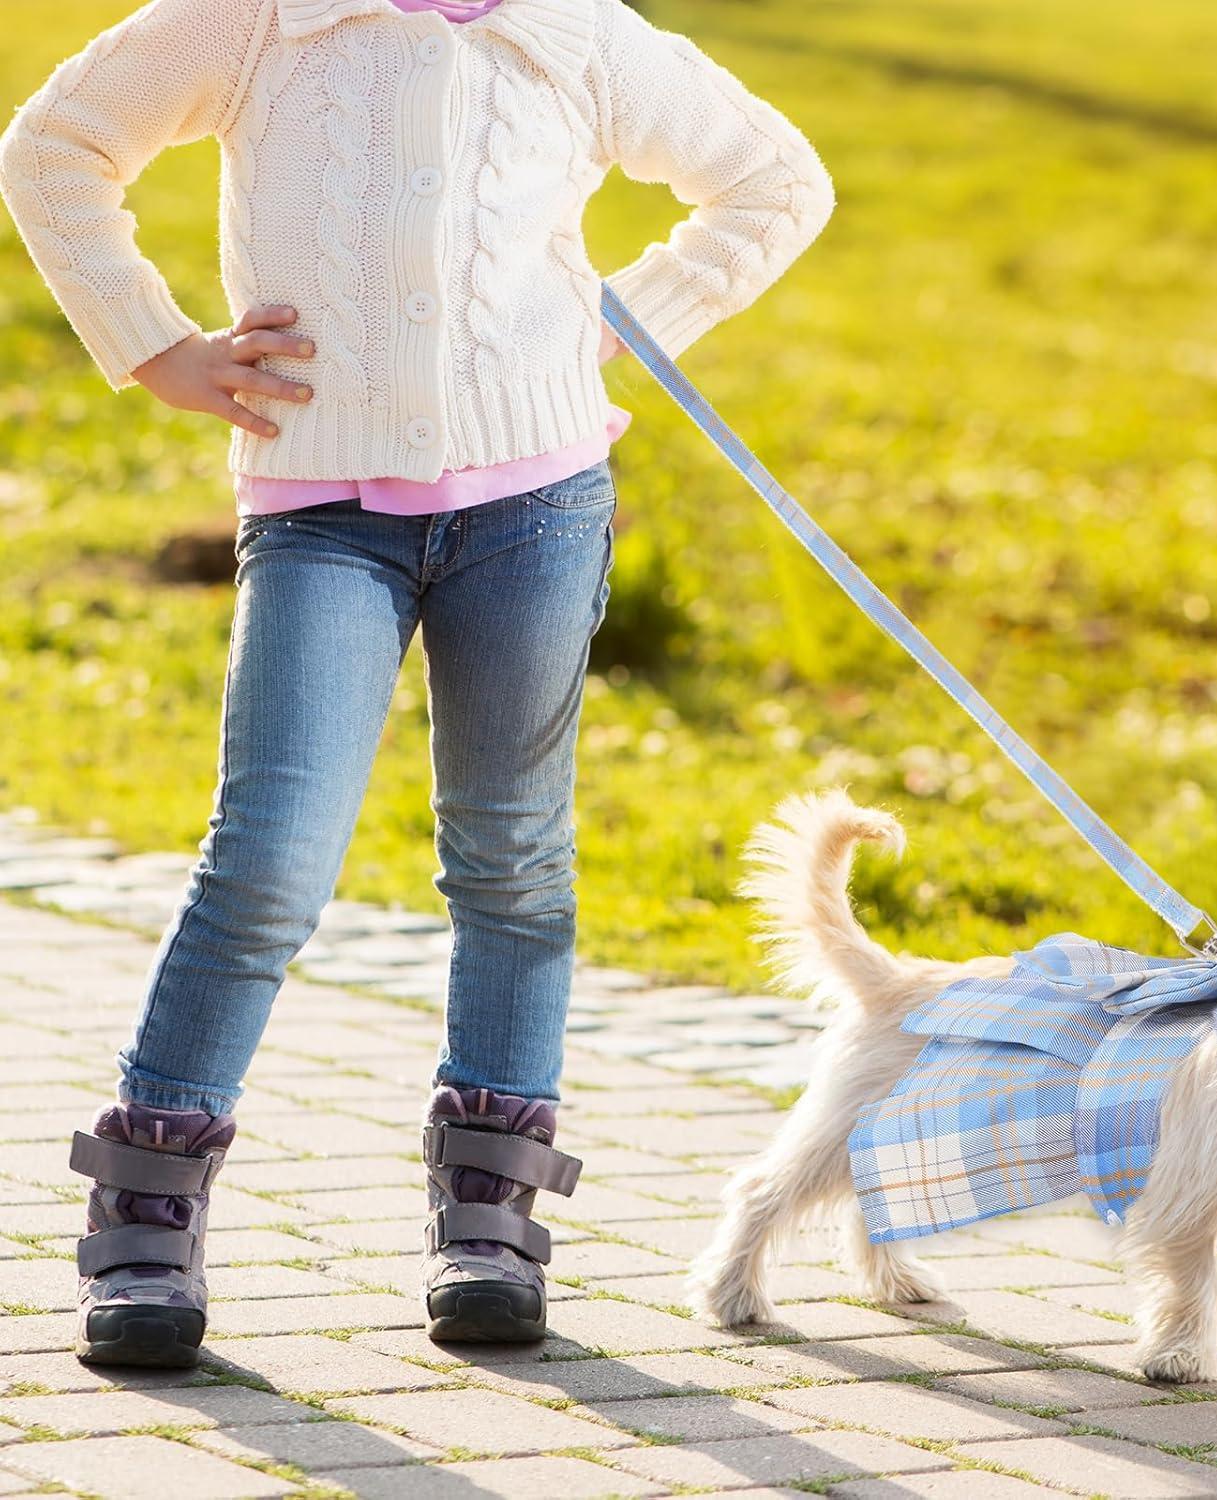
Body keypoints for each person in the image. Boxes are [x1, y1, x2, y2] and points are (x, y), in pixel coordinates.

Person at [0, 0, 834, 1366]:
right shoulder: (266, 18)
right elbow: (56, 145)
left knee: (511, 857)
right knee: (268, 857)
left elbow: (776, 178)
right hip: (322, 508)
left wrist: (622, 328)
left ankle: (488, 1215)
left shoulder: (575, 31)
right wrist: (156, 344)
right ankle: (148, 1197)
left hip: (538, 506)